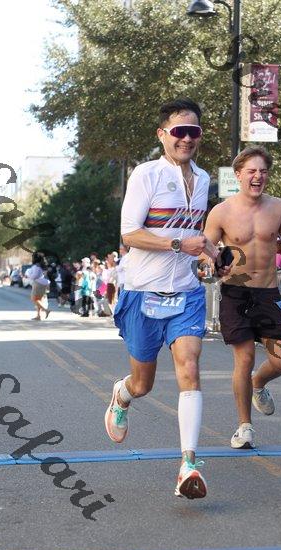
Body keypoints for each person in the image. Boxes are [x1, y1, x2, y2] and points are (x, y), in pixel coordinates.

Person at [105, 98, 216, 499]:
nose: (186, 139)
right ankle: (122, 394)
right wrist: (179, 244)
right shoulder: (146, 174)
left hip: (185, 293)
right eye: (178, 131)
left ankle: (188, 464)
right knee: (144, 383)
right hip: (142, 291)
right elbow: (130, 234)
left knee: (190, 366)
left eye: (193, 131)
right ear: (163, 135)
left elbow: (192, 234)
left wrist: (208, 252)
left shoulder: (202, 179)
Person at [203, 145, 281, 449]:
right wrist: (211, 264)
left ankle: (259, 383)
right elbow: (206, 250)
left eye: (263, 171)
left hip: (269, 294)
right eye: (252, 171)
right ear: (238, 174)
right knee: (244, 359)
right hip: (236, 294)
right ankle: (245, 427)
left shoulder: (279, 207)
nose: (258, 176)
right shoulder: (221, 212)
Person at [26, 252, 50, 321]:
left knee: (34, 298)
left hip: (38, 283)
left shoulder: (36, 266)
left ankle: (46, 310)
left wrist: (28, 274)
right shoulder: (42, 266)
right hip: (44, 283)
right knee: (39, 299)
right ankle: (38, 315)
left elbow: (35, 276)